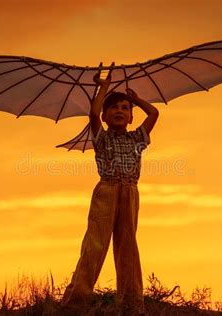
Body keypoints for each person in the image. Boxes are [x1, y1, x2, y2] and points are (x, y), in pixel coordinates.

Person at [60, 70, 159, 315]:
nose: (119, 111)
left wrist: (135, 99)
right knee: (95, 244)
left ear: (131, 116)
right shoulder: (101, 138)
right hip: (106, 190)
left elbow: (155, 113)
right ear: (105, 116)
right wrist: (104, 87)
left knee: (128, 246)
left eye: (125, 108)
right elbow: (92, 113)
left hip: (130, 192)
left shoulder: (138, 137)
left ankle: (131, 303)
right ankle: (76, 300)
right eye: (113, 108)